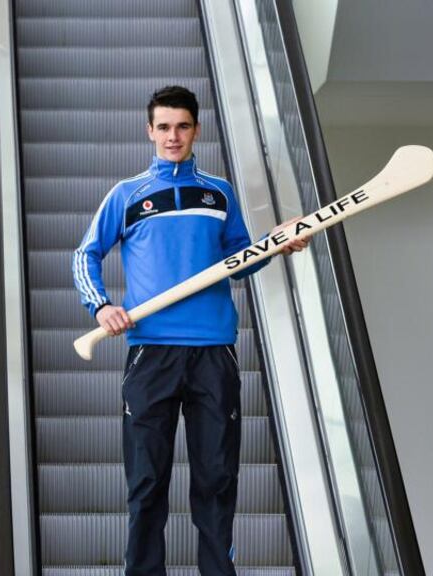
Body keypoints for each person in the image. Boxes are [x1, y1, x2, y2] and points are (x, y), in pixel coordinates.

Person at [72, 85, 308, 575]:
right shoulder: (127, 195)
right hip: (151, 353)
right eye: (163, 127)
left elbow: (239, 262)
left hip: (213, 353)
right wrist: (101, 306)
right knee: (146, 483)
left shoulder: (219, 193)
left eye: (182, 126)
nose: (173, 136)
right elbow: (85, 254)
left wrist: (274, 244)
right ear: (149, 131)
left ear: (196, 130)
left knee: (217, 479)